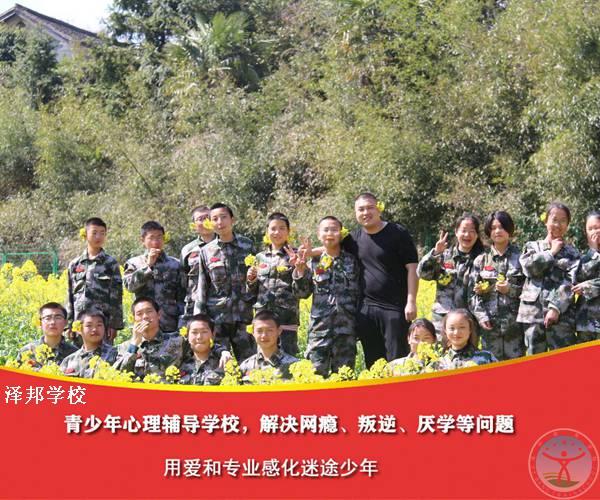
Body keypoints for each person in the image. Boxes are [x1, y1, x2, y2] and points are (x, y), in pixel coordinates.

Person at [342, 193, 419, 367]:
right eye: (361, 209)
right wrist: (309, 253)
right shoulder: (352, 239)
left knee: (398, 362)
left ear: (379, 209)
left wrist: (411, 301)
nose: (365, 212)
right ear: (355, 213)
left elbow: (412, 268)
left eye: (370, 208)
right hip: (366, 310)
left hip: (395, 309)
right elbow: (330, 245)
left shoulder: (398, 233)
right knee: (374, 364)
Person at [294, 216, 360, 377]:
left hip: (346, 332)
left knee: (345, 380)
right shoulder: (313, 262)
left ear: (341, 233)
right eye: (326, 230)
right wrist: (300, 272)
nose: (330, 233)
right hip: (319, 332)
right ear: (318, 234)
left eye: (334, 229)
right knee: (315, 378)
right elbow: (302, 293)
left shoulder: (352, 261)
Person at [194, 203, 257, 362]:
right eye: (215, 219)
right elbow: (202, 285)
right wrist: (199, 318)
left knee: (249, 363)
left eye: (223, 217)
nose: (220, 222)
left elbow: (256, 280)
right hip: (217, 318)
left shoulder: (247, 245)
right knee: (218, 364)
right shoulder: (206, 251)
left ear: (232, 219)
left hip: (243, 317)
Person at [517, 202, 580, 354]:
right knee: (534, 363)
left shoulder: (573, 253)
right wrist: (551, 253)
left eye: (563, 220)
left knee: (563, 362)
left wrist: (555, 307)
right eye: (554, 219)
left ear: (567, 225)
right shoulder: (532, 247)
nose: (558, 224)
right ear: (546, 221)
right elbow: (528, 268)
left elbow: (570, 281)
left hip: (562, 317)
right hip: (532, 315)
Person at [469, 211, 525, 360]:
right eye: (493, 228)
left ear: (509, 230)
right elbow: (472, 294)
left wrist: (510, 290)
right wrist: (481, 317)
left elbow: (530, 290)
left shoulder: (522, 258)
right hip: (490, 328)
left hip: (515, 328)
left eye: (502, 227)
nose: (497, 231)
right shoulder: (481, 260)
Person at [246, 212, 304, 355]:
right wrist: (251, 280)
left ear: (288, 231)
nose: (277, 232)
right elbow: (251, 293)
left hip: (286, 320)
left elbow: (303, 291)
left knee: (287, 361)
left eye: (282, 228)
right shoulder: (259, 257)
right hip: (263, 321)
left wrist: (299, 269)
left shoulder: (296, 255)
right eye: (273, 228)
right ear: (267, 232)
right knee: (263, 360)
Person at [418, 213, 485, 335]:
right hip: (442, 319)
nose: (467, 235)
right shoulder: (444, 256)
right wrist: (435, 253)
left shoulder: (482, 259)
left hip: (468, 321)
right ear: (456, 232)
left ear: (477, 235)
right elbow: (423, 274)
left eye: (472, 231)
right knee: (440, 347)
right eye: (463, 230)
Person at [65, 217, 123, 345]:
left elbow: (116, 296)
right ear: (85, 234)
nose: (99, 237)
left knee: (104, 354)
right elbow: (70, 295)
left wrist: (114, 325)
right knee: (79, 355)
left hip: (102, 324)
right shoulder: (75, 264)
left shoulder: (110, 263)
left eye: (102, 233)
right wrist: (68, 325)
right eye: (94, 233)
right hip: (80, 324)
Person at [124, 220, 185, 333]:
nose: (156, 241)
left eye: (159, 237)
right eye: (151, 238)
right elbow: (129, 287)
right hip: (144, 323)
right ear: (142, 240)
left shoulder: (175, 264)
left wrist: (182, 322)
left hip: (170, 323)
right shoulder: (134, 263)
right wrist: (148, 266)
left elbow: (182, 297)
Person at [113, 297, 186, 378]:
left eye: (149, 311)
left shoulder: (178, 341)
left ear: (158, 315)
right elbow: (117, 376)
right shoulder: (125, 347)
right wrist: (134, 345)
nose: (145, 317)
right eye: (139, 314)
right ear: (134, 319)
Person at [239, 310, 299, 380]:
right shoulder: (246, 366)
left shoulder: (294, 366)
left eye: (269, 330)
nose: (264, 335)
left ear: (279, 331)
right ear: (253, 333)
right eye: (259, 331)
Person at [180, 206, 215, 323]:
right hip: (195, 305)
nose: (205, 221)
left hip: (220, 305)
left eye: (208, 217)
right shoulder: (188, 250)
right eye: (200, 219)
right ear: (194, 225)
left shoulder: (225, 244)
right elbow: (183, 281)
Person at [17, 302, 77, 368]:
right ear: (40, 323)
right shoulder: (27, 351)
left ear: (65, 322)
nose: (53, 322)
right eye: (47, 318)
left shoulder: (75, 353)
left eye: (58, 318)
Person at [60, 310, 117, 378]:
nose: (94, 329)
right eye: (89, 325)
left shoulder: (115, 355)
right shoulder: (69, 360)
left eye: (99, 325)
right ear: (79, 329)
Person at [573, 210, 600, 343]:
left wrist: (588, 286)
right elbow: (578, 278)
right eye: (590, 229)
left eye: (597, 227)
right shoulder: (583, 257)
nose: (594, 232)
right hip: (586, 323)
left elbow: (583, 284)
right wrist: (593, 251)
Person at [179, 314, 226, 385]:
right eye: (194, 332)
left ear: (213, 334)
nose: (199, 337)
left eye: (204, 332)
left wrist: (224, 351)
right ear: (187, 335)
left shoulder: (224, 363)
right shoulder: (178, 361)